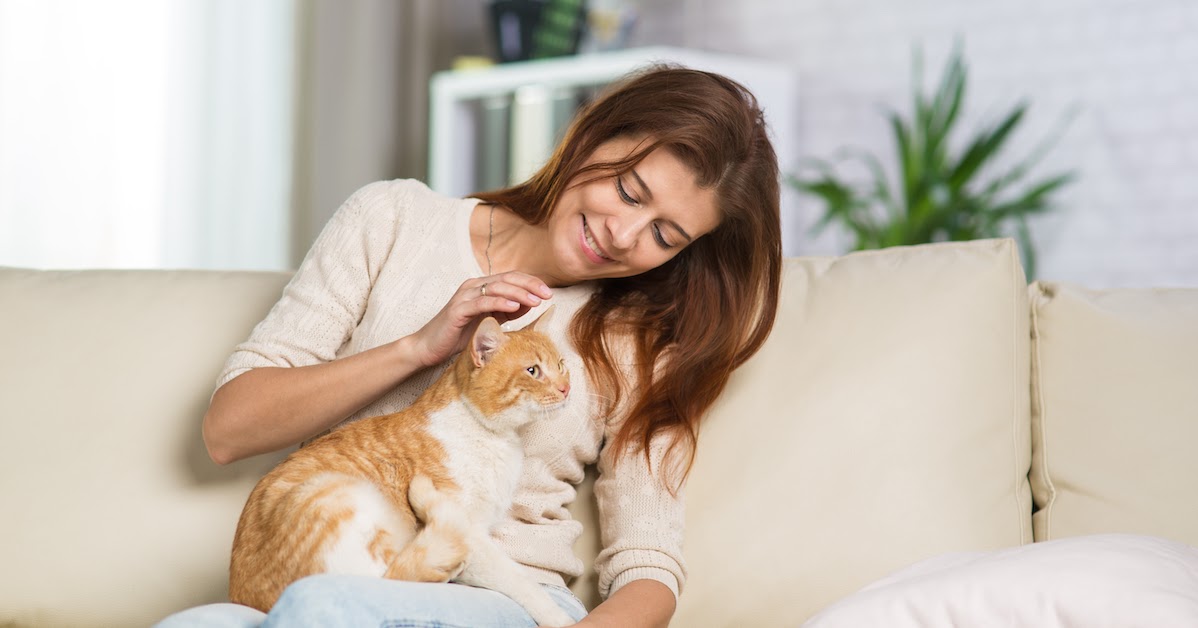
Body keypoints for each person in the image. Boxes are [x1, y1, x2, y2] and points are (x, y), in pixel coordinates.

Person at [155, 65, 781, 628]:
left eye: (664, 235)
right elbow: (228, 430)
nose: (623, 235)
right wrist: (419, 348)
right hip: (327, 575)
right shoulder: (393, 219)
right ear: (593, 137)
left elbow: (649, 562)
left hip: (498, 599)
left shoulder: (640, 341)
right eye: (627, 190)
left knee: (321, 611)